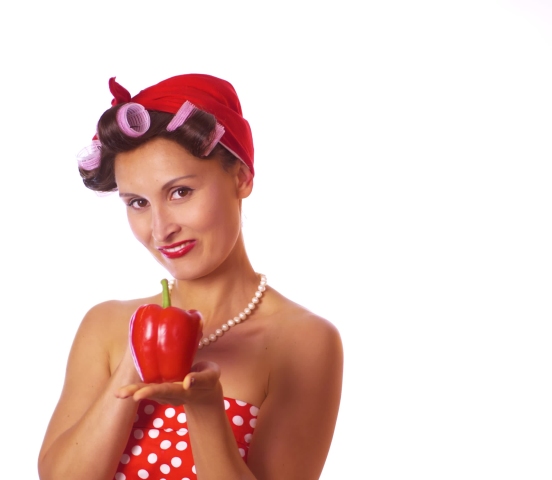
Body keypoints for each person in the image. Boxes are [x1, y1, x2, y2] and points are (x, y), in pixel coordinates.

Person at [38, 74, 344, 480]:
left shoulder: (303, 341)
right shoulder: (107, 326)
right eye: (138, 202)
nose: (160, 229)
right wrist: (138, 356)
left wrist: (204, 408)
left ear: (241, 178)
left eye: (180, 192)